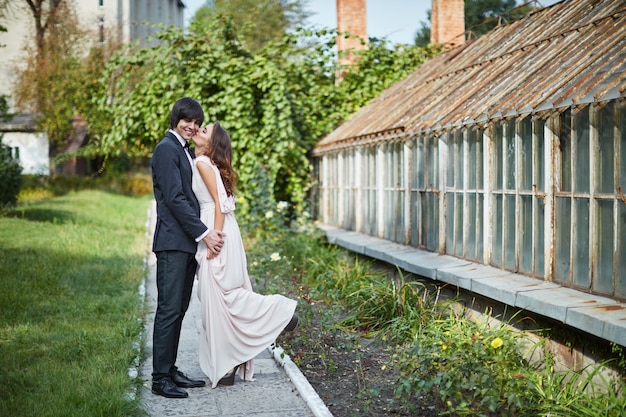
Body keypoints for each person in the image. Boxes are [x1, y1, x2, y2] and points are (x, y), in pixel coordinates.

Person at [191, 121, 298, 388]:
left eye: (204, 131)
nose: (198, 131)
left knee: (221, 295)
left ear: (211, 144)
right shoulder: (207, 164)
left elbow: (218, 204)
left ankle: (279, 311)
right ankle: (229, 361)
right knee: (217, 297)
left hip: (217, 230)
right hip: (222, 228)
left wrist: (213, 238)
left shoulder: (203, 164)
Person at [150, 97, 226, 398]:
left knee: (180, 309)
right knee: (168, 309)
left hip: (186, 244)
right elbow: (174, 199)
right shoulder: (166, 149)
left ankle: (169, 369)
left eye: (197, 123)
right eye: (188, 121)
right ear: (176, 118)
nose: (193, 127)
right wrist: (205, 233)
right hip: (172, 243)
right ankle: (159, 379)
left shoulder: (181, 149)